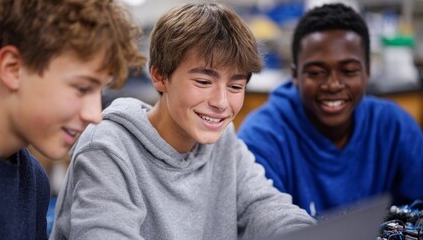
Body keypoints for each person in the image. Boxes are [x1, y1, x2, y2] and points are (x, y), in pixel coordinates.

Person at [50, 3, 315, 240]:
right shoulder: (108, 147)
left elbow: (265, 207)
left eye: (235, 86)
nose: (221, 102)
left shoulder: (224, 141)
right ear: (159, 76)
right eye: (203, 82)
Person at [238, 3, 423, 217]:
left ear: (367, 72)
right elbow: (261, 223)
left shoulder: (395, 126)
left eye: (349, 70)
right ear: (295, 76)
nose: (333, 84)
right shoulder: (262, 137)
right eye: (316, 72)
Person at [0, 0, 146, 239]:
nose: (95, 115)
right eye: (82, 88)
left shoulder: (33, 181)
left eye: (100, 92)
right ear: (13, 68)